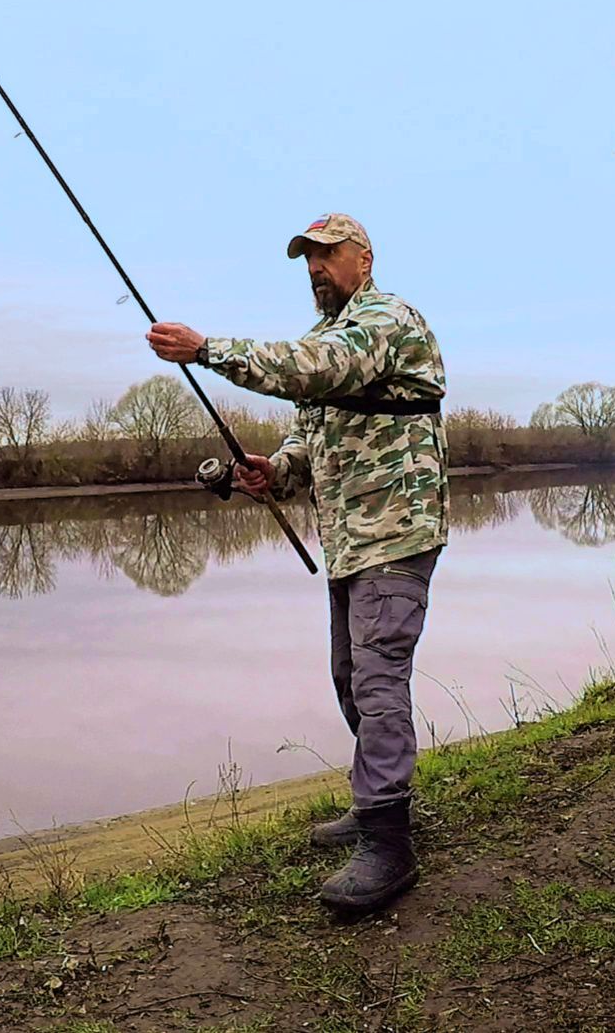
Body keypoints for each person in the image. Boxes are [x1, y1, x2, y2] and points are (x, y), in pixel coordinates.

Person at [145, 212, 448, 913]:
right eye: (307, 259)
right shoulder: (324, 336)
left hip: (398, 531)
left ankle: (388, 837)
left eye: (327, 255)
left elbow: (316, 369)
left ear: (362, 259)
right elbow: (306, 448)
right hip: (348, 539)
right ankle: (378, 799)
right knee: (350, 678)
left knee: (376, 678)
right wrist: (269, 470)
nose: (316, 268)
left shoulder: (386, 321)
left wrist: (206, 350)